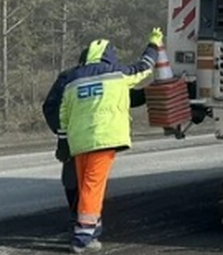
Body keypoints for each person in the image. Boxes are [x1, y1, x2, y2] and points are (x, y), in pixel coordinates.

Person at [58, 29, 162, 253]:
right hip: (103, 139)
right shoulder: (117, 73)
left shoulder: (72, 79)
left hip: (78, 141)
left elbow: (63, 113)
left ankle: (93, 230)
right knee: (93, 185)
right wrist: (153, 45)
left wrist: (63, 140)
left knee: (86, 182)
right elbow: (143, 68)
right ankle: (83, 234)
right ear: (109, 55)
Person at [42, 52, 149, 220]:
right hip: (88, 139)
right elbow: (53, 108)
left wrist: (63, 136)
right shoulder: (98, 77)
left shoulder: (71, 78)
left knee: (77, 182)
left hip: (76, 139)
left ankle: (81, 219)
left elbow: (51, 107)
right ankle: (85, 224)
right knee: (87, 183)